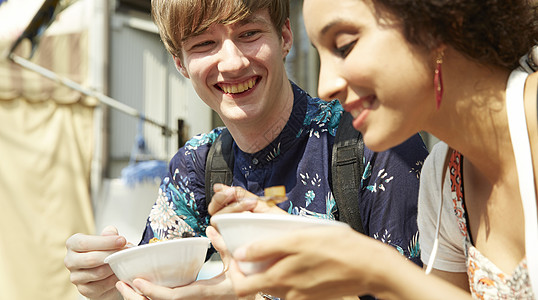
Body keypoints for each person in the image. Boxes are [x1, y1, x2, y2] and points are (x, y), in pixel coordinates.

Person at [63, 0, 429, 299]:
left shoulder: (373, 143)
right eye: (203, 44)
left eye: (249, 33)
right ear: (181, 64)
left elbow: (420, 290)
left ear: (285, 36)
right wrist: (108, 282)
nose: (233, 62)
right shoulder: (197, 165)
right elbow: (154, 284)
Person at [223, 0, 538, 299]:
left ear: (437, 22)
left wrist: (378, 268)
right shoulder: (443, 179)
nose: (325, 85)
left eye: (344, 45)